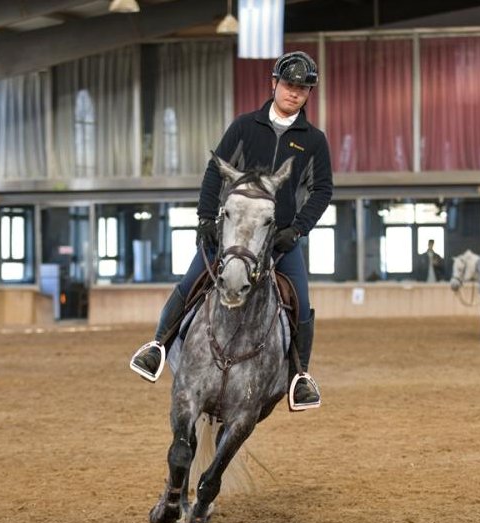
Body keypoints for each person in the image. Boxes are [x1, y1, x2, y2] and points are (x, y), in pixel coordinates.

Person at [129, 51, 334, 410]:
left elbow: (322, 191)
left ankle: (300, 376)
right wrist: (206, 219)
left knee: (300, 301)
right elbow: (215, 171)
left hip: (279, 239)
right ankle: (158, 345)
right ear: (274, 84)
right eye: (289, 85)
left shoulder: (314, 140)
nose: (295, 93)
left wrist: (298, 230)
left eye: (303, 88)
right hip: (232, 234)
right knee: (191, 281)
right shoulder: (243, 126)